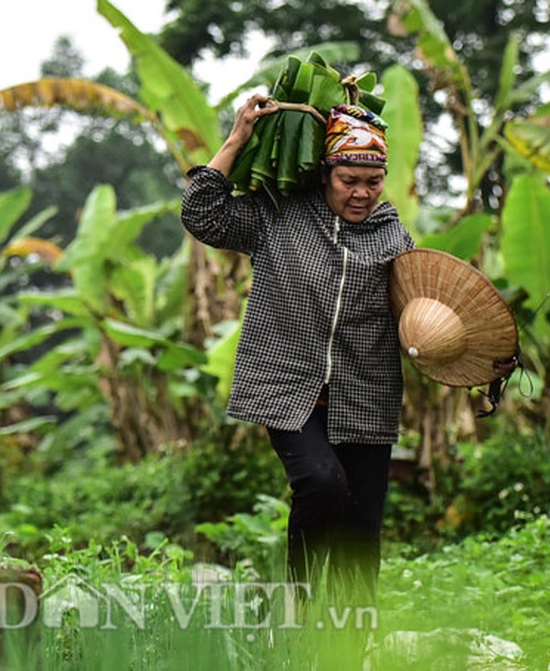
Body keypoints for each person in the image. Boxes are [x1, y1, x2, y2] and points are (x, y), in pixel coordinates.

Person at [180, 94, 414, 606]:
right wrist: (238, 137)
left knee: (360, 533)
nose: (361, 193)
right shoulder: (279, 218)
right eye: (348, 181)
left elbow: (419, 311)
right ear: (326, 173)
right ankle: (299, 609)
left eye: (372, 182)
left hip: (365, 395)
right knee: (322, 483)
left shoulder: (393, 236)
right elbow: (201, 214)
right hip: (290, 387)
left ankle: (349, 650)